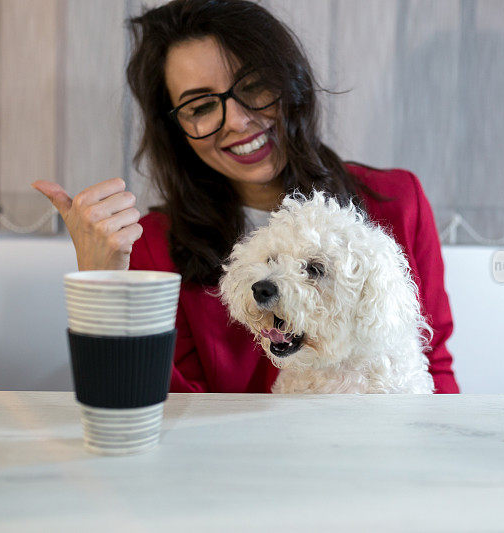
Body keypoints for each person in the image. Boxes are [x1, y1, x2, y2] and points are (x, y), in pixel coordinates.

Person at [32, 0, 459, 393]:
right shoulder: (151, 246)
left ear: (291, 83)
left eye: (253, 86)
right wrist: (99, 279)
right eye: (200, 107)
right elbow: (144, 403)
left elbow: (431, 367)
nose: (236, 121)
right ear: (176, 131)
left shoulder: (395, 202)